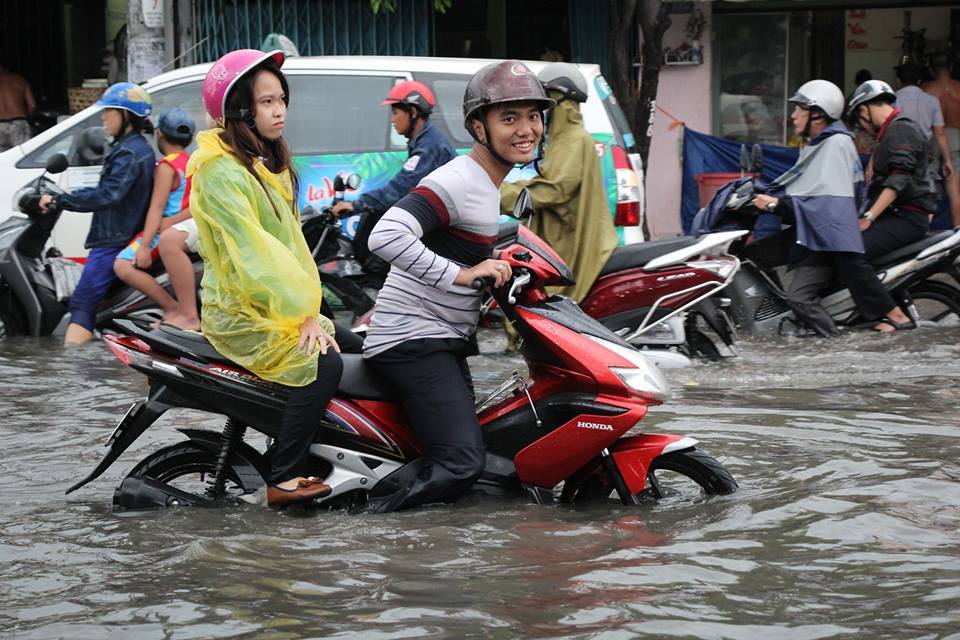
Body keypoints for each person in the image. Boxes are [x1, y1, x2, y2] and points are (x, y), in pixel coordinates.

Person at [361, 60, 554, 513]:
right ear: (478, 128)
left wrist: (490, 262)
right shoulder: (459, 179)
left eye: (533, 116)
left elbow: (453, 243)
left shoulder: (486, 184)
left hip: (439, 337)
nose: (526, 129)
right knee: (462, 463)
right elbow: (385, 235)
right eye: (509, 118)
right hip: (413, 338)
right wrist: (461, 275)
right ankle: (367, 531)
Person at [189, 49, 342, 506]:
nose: (279, 111)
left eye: (282, 100)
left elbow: (289, 247)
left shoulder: (260, 163)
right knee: (324, 364)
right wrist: (302, 315)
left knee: (356, 345)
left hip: (273, 304)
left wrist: (314, 308)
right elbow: (258, 259)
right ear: (240, 109)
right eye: (267, 102)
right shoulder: (220, 172)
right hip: (240, 312)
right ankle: (285, 475)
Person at [751, 80, 911, 336]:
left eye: (799, 109)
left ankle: (833, 342)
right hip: (810, 229)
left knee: (798, 296)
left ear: (818, 113)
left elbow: (829, 206)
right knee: (754, 254)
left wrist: (776, 204)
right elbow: (804, 189)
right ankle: (778, 319)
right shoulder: (817, 143)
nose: (793, 115)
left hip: (827, 236)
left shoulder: (835, 144)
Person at [331, 81, 456, 328]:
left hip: (443, 230)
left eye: (395, 112)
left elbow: (400, 188)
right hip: (435, 222)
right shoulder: (423, 142)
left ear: (413, 111)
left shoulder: (429, 147)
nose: (392, 120)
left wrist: (356, 205)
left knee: (382, 256)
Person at [38, 83, 155, 345]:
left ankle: (72, 372)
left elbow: (108, 195)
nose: (103, 117)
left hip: (114, 240)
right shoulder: (130, 148)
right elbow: (108, 188)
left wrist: (60, 200)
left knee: (82, 304)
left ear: (126, 115)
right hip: (117, 236)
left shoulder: (130, 152)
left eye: (109, 111)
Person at [499, 62, 617, 303]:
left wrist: (495, 195)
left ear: (558, 101)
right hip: (560, 237)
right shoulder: (564, 139)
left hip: (569, 243)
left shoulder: (573, 140)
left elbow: (553, 189)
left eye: (543, 105)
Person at [849, 79, 937, 331]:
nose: (862, 125)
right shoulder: (889, 132)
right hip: (901, 215)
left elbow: (899, 178)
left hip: (907, 217)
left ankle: (891, 314)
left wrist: (868, 217)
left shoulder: (900, 129)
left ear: (865, 109)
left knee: (853, 252)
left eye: (860, 117)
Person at [112, 108, 199, 329]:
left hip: (165, 231)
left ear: (159, 134)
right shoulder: (192, 163)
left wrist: (143, 247)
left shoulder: (166, 166)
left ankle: (171, 308)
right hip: (188, 227)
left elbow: (156, 208)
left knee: (122, 265)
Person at [894, 63, 955, 193]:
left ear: (898, 81)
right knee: (926, 193)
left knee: (899, 192)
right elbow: (939, 133)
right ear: (920, 81)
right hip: (924, 155)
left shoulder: (894, 100)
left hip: (899, 154)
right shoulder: (932, 101)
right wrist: (948, 160)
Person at [922, 53, 960, 228]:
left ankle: (924, 230)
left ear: (931, 69)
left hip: (933, 137)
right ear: (951, 67)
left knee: (928, 187)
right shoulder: (959, 87)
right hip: (956, 138)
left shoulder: (926, 88)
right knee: (955, 189)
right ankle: (957, 231)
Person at [0, 64, 36, 151]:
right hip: (19, 122)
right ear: (7, 69)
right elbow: (33, 105)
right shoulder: (20, 80)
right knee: (25, 156)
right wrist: (28, 118)